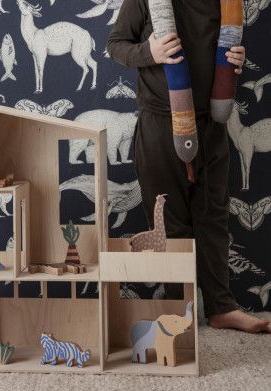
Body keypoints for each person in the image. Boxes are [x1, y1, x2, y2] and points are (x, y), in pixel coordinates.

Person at [107, 0, 270, 333]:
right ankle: (178, 310)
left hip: (211, 121)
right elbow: (116, 46)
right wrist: (149, 52)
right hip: (161, 124)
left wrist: (234, 60)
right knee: (170, 223)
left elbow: (219, 48)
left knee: (213, 216)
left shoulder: (226, 2)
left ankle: (221, 308)